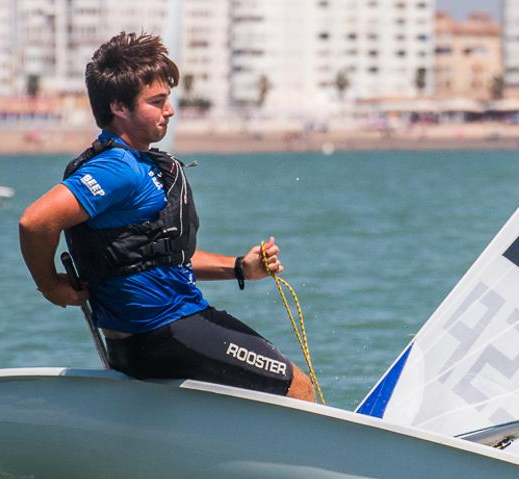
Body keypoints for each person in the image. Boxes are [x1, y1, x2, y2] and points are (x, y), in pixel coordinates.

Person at [19, 32, 314, 401]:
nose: (169, 110)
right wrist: (51, 286)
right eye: (156, 102)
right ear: (119, 108)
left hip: (136, 344)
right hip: (166, 332)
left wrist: (240, 267)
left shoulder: (136, 164)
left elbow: (158, 257)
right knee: (297, 387)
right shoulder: (118, 168)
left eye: (168, 99)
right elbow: (35, 222)